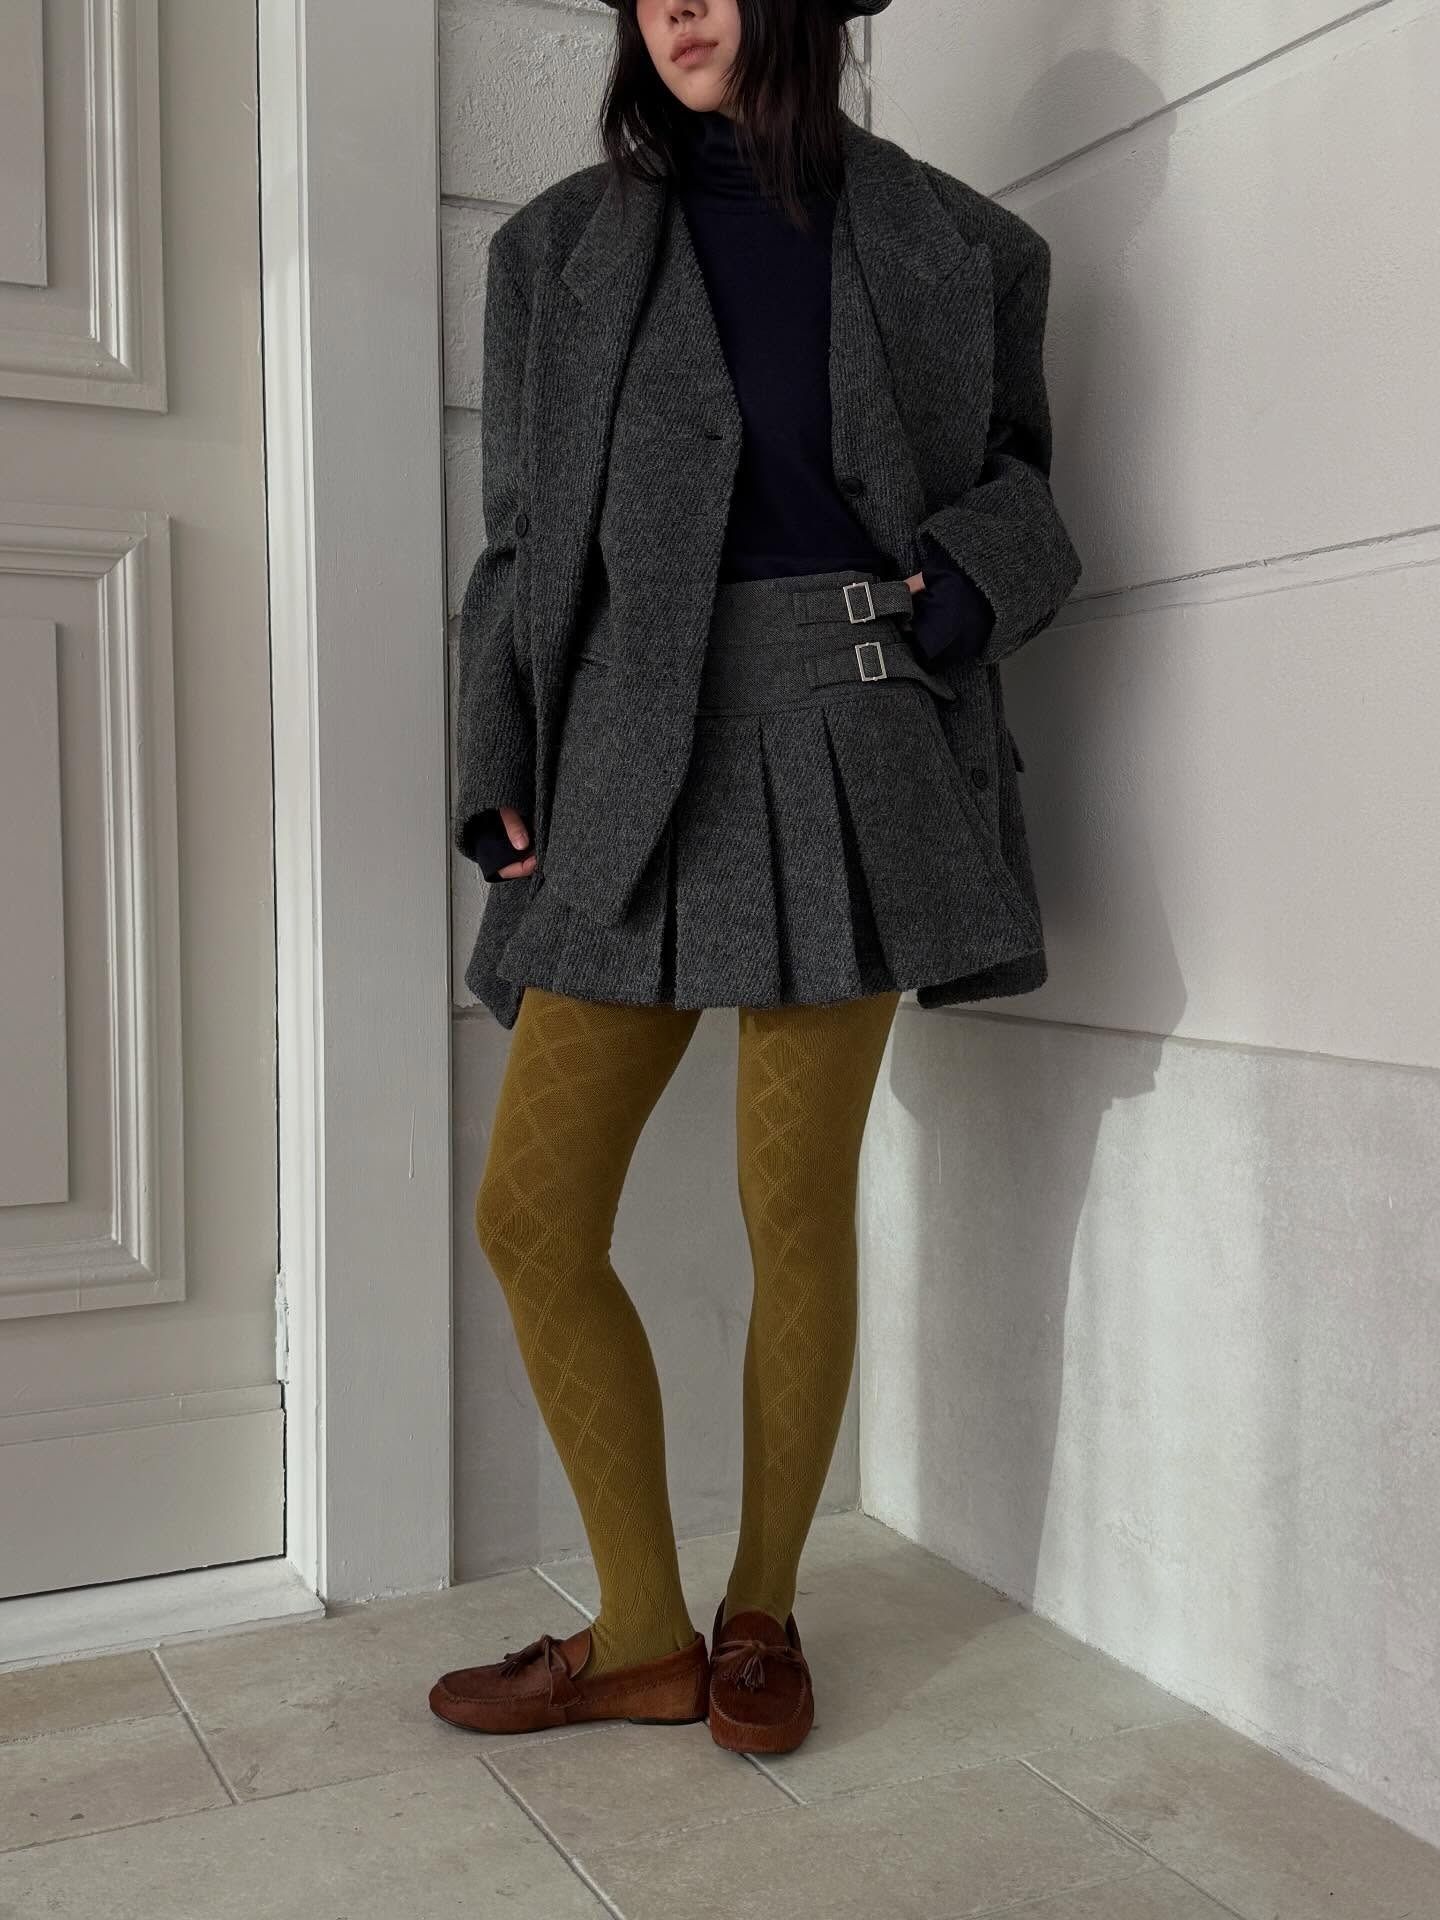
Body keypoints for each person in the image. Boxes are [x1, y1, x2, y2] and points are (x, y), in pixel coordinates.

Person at [430, 0, 1080, 1756]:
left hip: (852, 756)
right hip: (624, 764)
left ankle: (763, 1612)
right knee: (531, 1213)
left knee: (791, 1210)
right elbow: (516, 541)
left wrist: (971, 577)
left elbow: (1024, 480)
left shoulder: (961, 244)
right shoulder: (551, 254)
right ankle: (640, 1632)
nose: (679, 5)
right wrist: (496, 760)